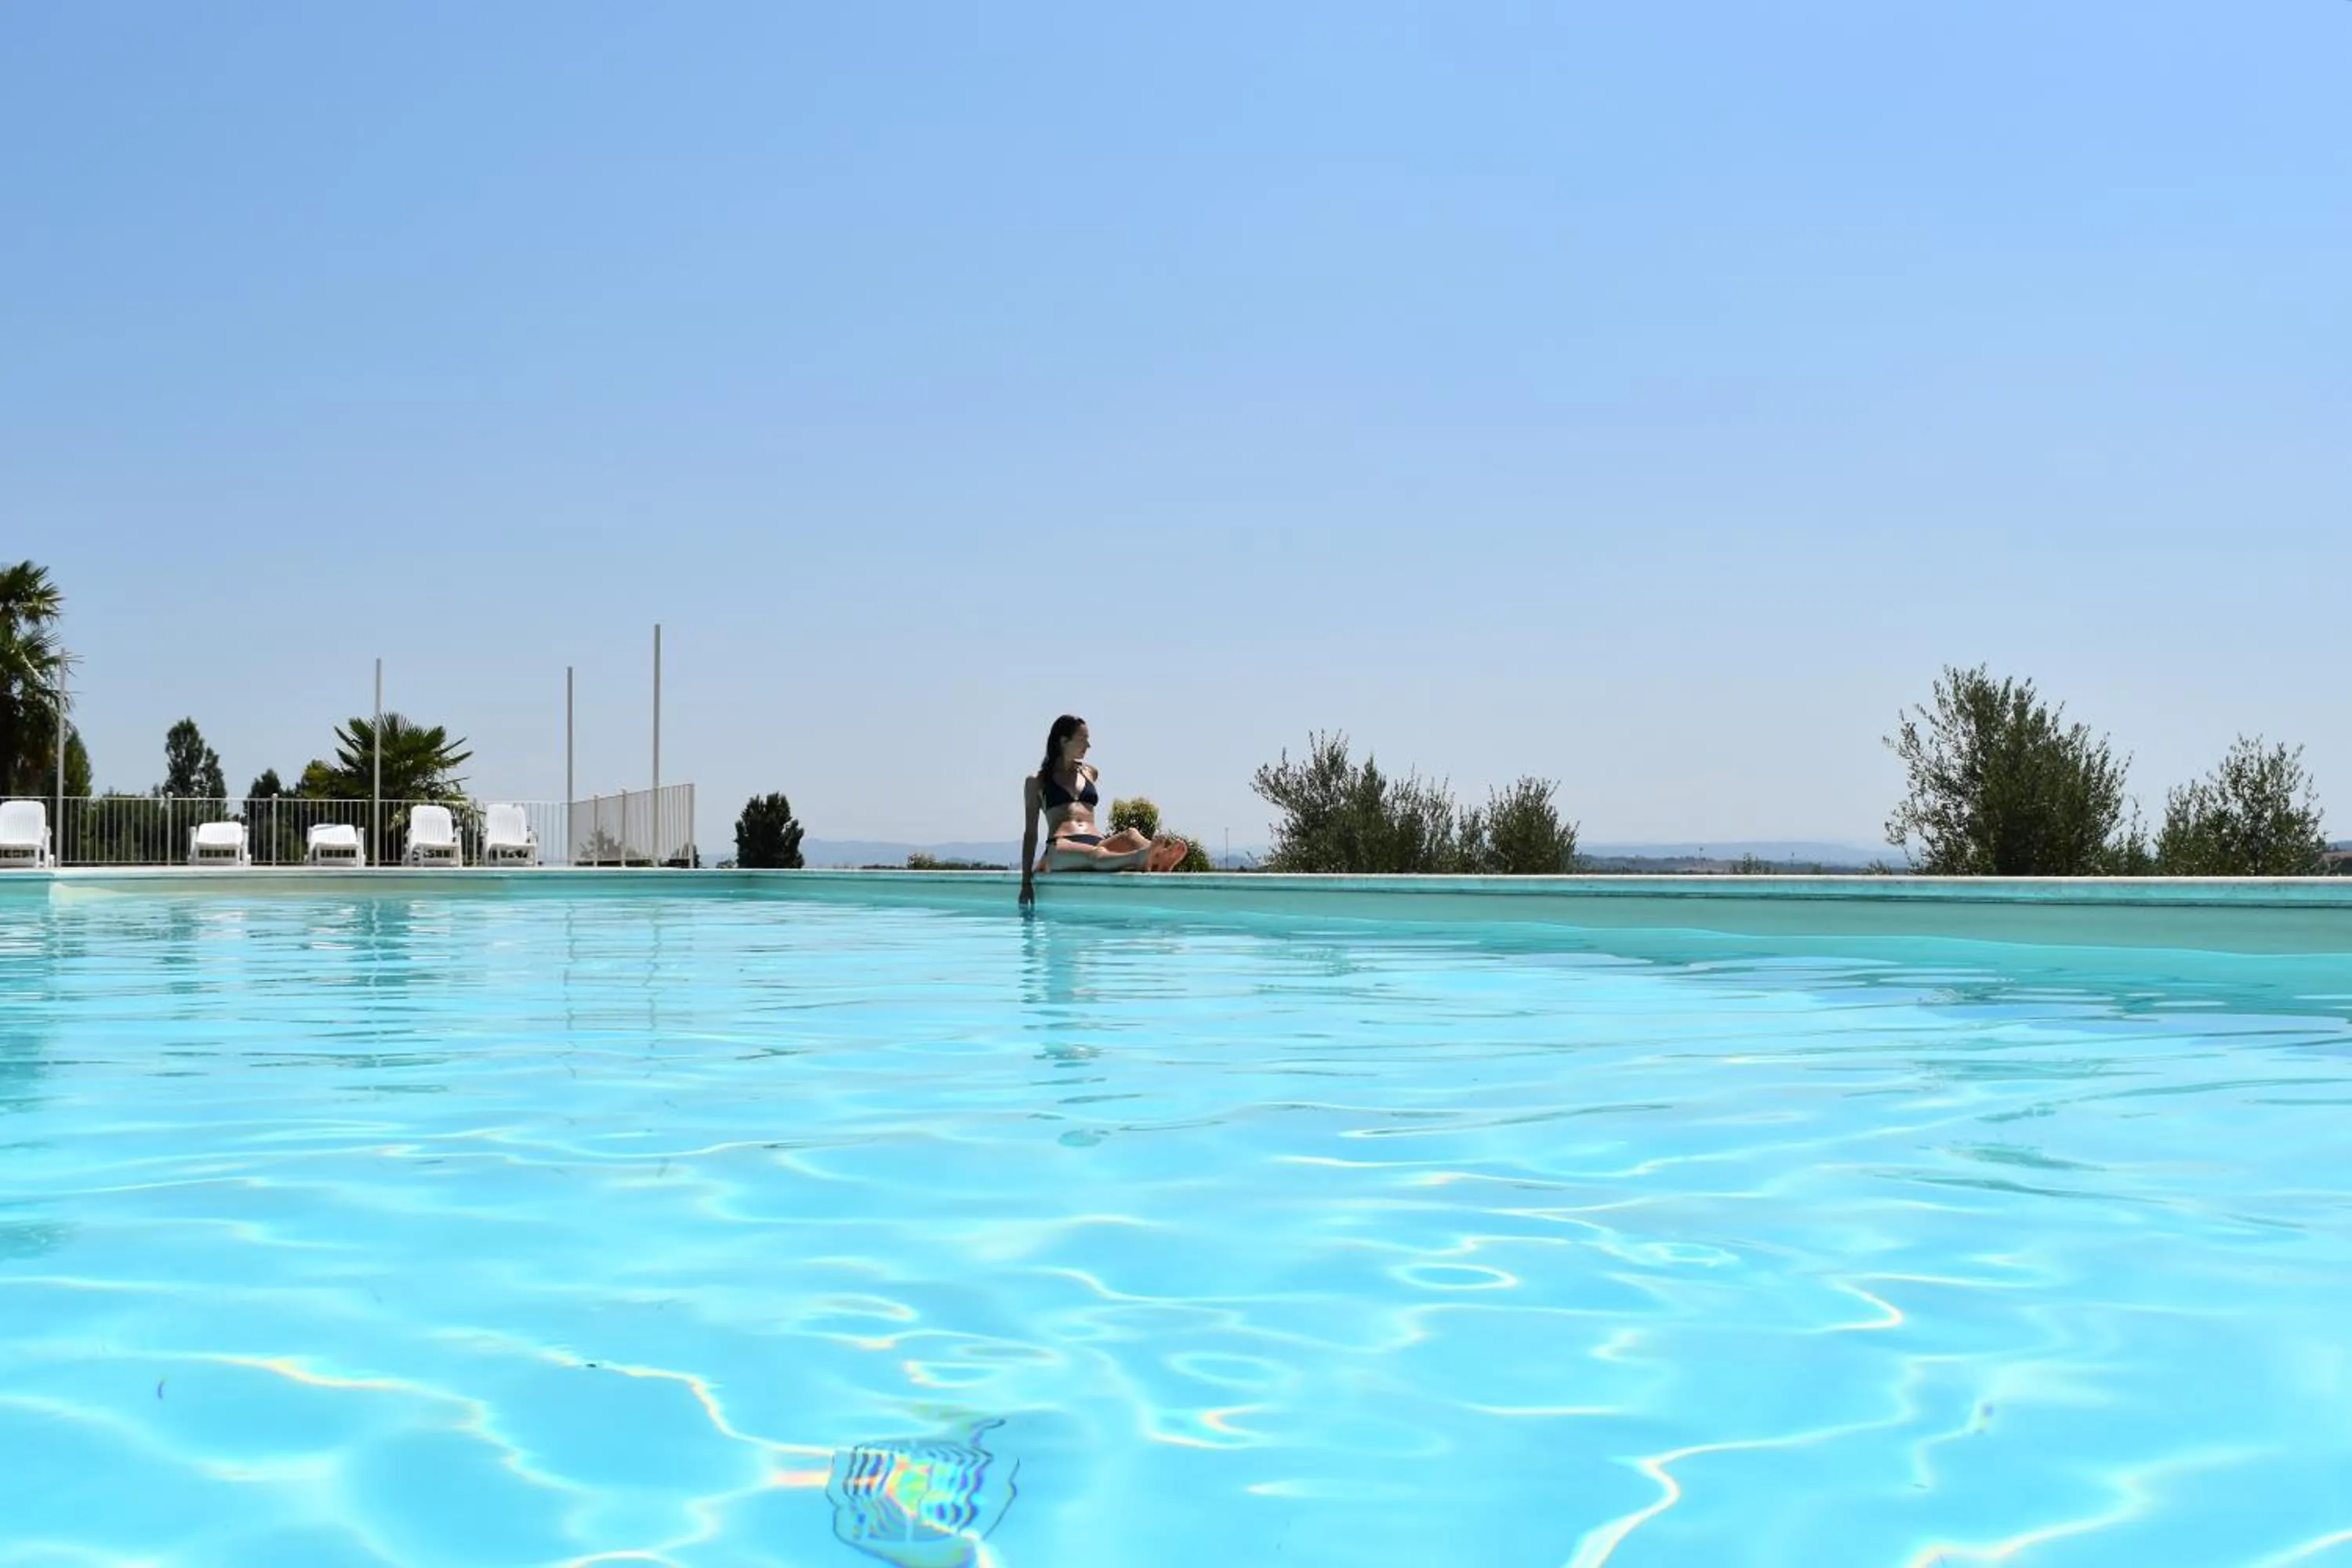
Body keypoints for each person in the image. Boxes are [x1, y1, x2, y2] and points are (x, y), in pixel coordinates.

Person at [1018, 714, 1185, 906]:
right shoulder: (1036, 781)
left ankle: (1158, 857)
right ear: (1063, 741)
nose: (1088, 746)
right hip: (1062, 847)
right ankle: (1140, 858)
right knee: (1096, 855)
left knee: (1130, 835)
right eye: (1082, 739)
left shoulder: (1089, 773)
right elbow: (1030, 833)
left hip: (1097, 841)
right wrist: (1026, 882)